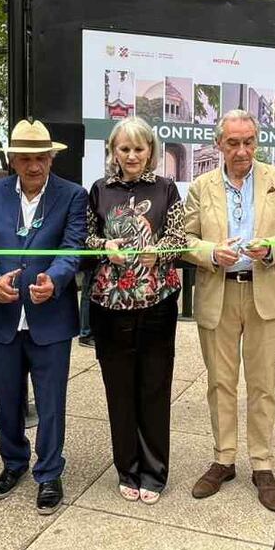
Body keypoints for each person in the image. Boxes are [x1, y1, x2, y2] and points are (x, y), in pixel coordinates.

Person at [182, 109, 275, 512]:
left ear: (257, 141)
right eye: (232, 143)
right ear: (219, 145)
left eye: (248, 141)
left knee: (263, 384)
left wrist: (270, 249)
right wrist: (208, 253)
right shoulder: (201, 186)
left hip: (264, 292)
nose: (241, 150)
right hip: (219, 292)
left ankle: (263, 464)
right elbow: (184, 239)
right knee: (220, 383)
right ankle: (224, 459)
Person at [0, 119, 87, 515]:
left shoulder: (73, 196)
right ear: (13, 160)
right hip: (0, 317)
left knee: (51, 401)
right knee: (6, 399)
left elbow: (73, 249)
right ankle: (13, 463)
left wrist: (54, 280)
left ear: (51, 158)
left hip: (49, 316)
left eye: (41, 158)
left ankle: (49, 472)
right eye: (25, 159)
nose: (34, 166)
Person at [86, 117, 186, 505]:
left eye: (139, 149)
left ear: (151, 152)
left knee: (155, 387)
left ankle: (154, 471)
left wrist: (159, 250)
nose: (131, 155)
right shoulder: (99, 190)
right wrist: (102, 246)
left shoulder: (166, 189)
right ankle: (127, 468)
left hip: (157, 302)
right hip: (110, 305)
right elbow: (85, 237)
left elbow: (179, 238)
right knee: (120, 390)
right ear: (114, 151)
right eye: (124, 148)